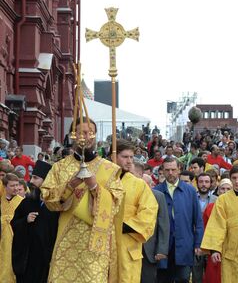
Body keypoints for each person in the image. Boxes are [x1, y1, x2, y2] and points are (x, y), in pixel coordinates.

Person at [41, 118, 124, 283]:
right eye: (81, 132)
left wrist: (94, 187)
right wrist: (71, 185)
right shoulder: (59, 167)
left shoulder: (109, 169)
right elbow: (47, 198)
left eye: (90, 132)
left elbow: (116, 202)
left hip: (96, 241)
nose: (86, 136)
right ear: (72, 136)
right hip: (67, 239)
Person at [113, 139, 158, 283]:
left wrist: (125, 226)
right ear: (113, 156)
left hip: (128, 245)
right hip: (105, 245)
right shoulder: (103, 181)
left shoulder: (139, 184)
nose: (129, 161)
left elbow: (149, 211)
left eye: (131, 157)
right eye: (125, 157)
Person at [154, 158, 204, 283]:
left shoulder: (190, 191)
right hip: (163, 246)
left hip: (185, 244)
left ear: (179, 170)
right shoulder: (156, 191)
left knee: (183, 278)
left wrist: (198, 243)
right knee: (162, 278)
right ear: (162, 171)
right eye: (167, 170)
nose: (170, 173)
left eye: (173, 170)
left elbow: (197, 220)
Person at [10, 160, 58, 283]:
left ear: (47, 180)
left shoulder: (56, 205)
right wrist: (25, 220)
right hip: (27, 258)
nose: (31, 181)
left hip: (46, 259)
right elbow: (14, 223)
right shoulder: (27, 202)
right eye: (31, 177)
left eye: (35, 178)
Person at [140, 175, 170, 283]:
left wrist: (161, 249)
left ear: (150, 185)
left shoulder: (158, 196)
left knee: (148, 279)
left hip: (149, 249)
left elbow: (163, 224)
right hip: (129, 247)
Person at [194, 172, 217, 283]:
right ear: (197, 183)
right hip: (195, 242)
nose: (204, 184)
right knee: (196, 274)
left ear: (211, 184)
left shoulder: (217, 200)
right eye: (201, 181)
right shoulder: (191, 197)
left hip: (212, 242)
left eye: (206, 182)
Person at [0, 173, 23, 283]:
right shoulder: (1, 201)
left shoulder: (22, 201)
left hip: (16, 238)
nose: (16, 188)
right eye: (12, 186)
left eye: (17, 185)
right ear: (5, 187)